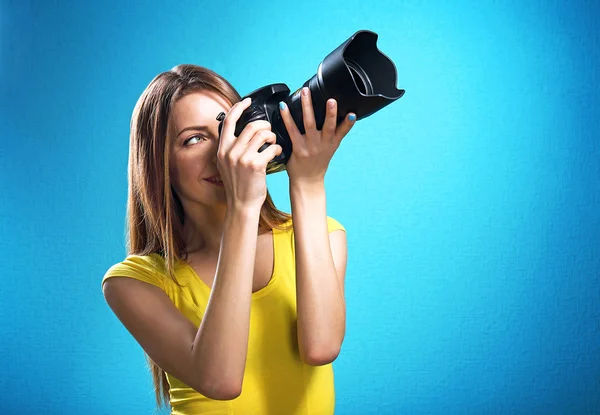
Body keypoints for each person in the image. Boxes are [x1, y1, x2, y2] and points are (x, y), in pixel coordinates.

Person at [101, 64, 356, 414]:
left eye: (228, 127)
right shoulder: (135, 282)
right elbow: (220, 380)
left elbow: (321, 347)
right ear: (159, 164)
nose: (224, 151)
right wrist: (243, 207)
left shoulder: (323, 234)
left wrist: (308, 184)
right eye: (193, 139)